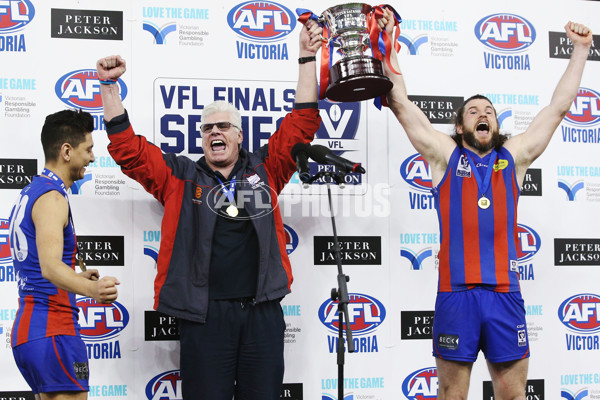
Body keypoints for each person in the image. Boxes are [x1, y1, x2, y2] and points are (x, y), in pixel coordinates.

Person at [96, 20, 323, 399]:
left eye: (223, 127)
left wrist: (305, 56)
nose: (215, 133)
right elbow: (129, 152)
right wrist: (108, 86)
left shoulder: (267, 170)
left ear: (239, 135)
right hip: (205, 318)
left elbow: (301, 124)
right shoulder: (180, 177)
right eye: (207, 129)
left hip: (261, 314)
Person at [379, 10, 593, 400]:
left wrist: (580, 50)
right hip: (455, 296)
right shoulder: (444, 156)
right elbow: (400, 103)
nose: (483, 114)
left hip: (504, 295)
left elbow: (557, 109)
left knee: (512, 396)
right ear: (460, 127)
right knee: (451, 396)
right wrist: (388, 43)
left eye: (489, 111)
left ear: (495, 126)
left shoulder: (515, 158)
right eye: (473, 111)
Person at [9, 109, 121, 400]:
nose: (93, 158)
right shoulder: (52, 198)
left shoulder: (33, 191)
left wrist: (77, 278)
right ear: (67, 151)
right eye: (89, 149)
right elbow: (48, 267)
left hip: (36, 331)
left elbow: (38, 265)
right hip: (53, 330)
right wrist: (92, 288)